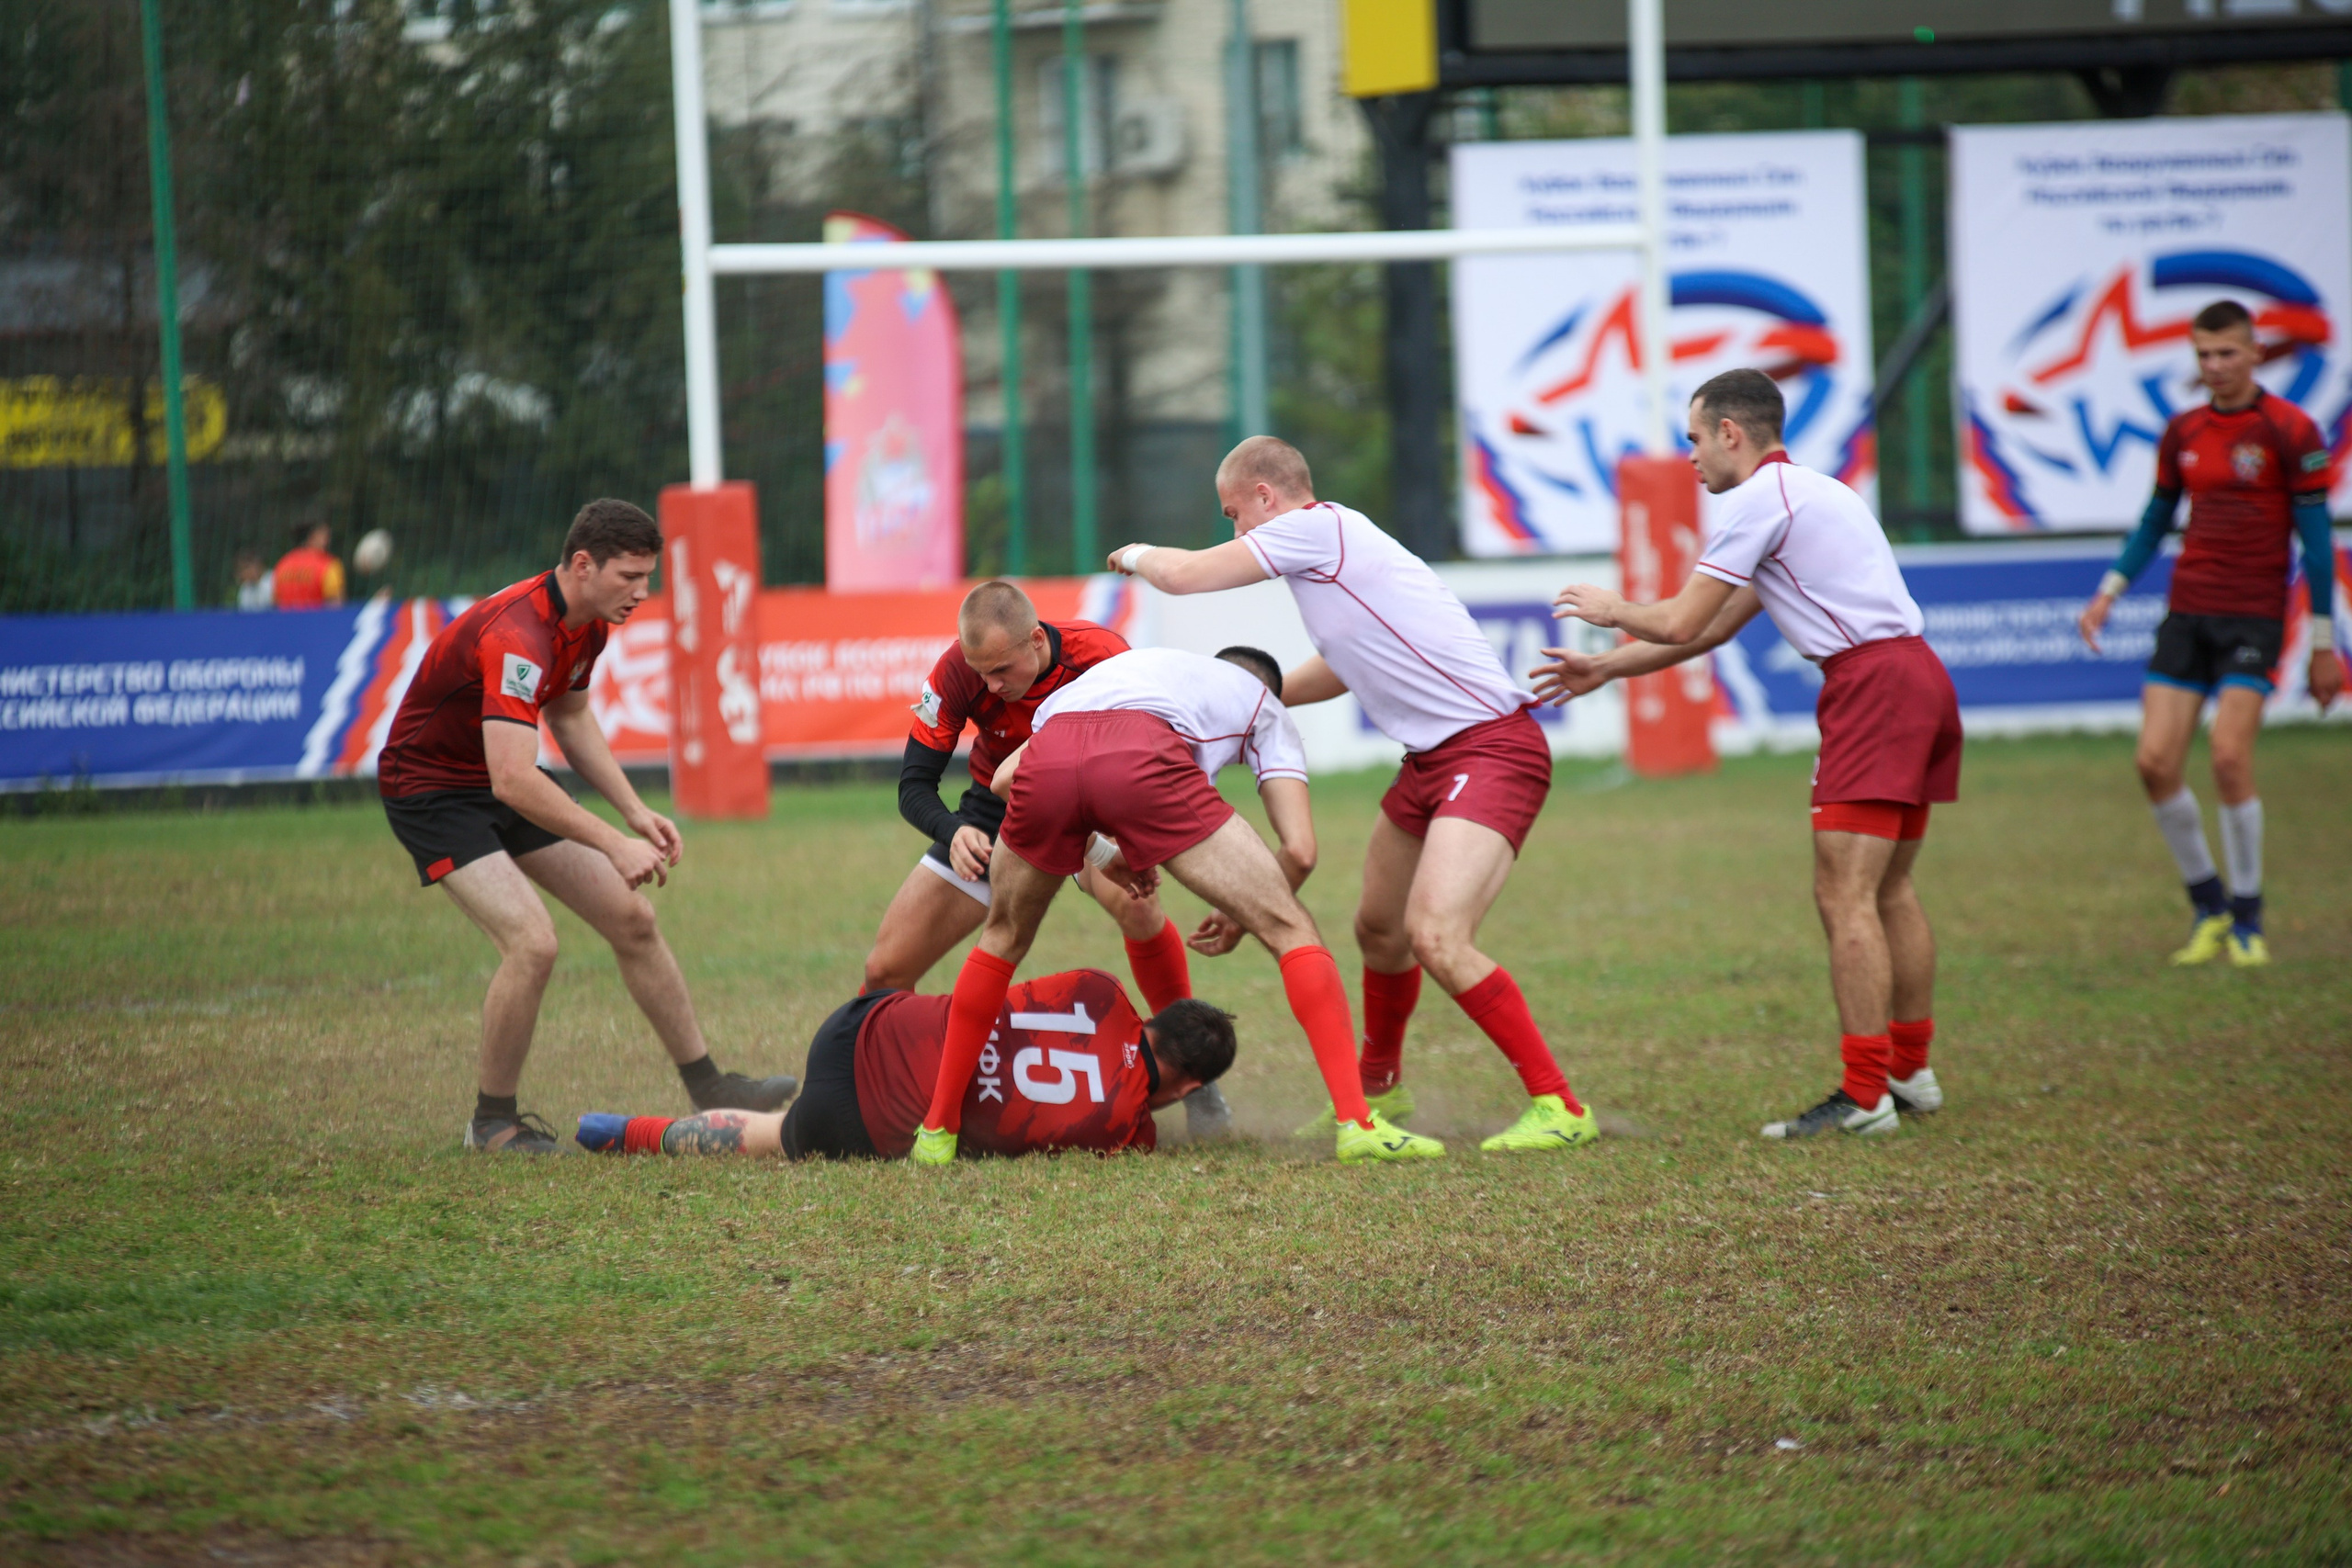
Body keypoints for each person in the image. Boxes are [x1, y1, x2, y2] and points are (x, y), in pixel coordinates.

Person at [1102, 436, 1596, 1156]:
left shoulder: (1316, 527)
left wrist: (1136, 552)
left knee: (1437, 937)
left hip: (1492, 748)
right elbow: (1341, 666)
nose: (1236, 532)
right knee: (1379, 930)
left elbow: (1182, 577)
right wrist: (1250, 697)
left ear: (1268, 498)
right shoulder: (1331, 556)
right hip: (1431, 760)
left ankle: (1558, 1103)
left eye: (1236, 514)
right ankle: (1381, 1085)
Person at [1537, 368, 1959, 1140]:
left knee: (1845, 896)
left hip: (1873, 688)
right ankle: (1910, 1072)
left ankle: (1866, 1094)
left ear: (1732, 433)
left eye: (1694, 438)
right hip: (1917, 677)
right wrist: (1603, 667)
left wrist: (1609, 611)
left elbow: (1677, 617)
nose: (1690, 457)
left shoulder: (1760, 499)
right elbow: (1712, 629)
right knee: (1890, 888)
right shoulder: (1813, 493)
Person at [910, 645, 1444, 1165]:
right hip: (1141, 752)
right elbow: (1300, 851)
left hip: (1050, 752)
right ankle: (1357, 1123)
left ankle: (937, 1129)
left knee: (1001, 939)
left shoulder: (1125, 672)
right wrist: (1242, 914)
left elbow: (1006, 779)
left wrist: (1103, 853)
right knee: (1289, 928)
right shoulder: (1264, 707)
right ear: (1264, 688)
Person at [377, 498, 795, 1154]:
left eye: (646, 576)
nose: (642, 591)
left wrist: (633, 810)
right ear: (581, 563)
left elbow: (569, 718)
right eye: (629, 576)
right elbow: (513, 778)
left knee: (634, 920)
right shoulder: (519, 633)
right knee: (533, 942)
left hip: (500, 779)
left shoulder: (588, 621)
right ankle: (491, 1122)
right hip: (432, 791)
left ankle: (709, 1087)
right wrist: (610, 839)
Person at [873, 581, 1227, 1136]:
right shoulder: (957, 671)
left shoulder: (1105, 658)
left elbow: (1158, 761)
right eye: (980, 672)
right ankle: (882, 1086)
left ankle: (1199, 1081)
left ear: (1036, 640)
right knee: (884, 970)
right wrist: (954, 829)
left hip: (1092, 803)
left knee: (1140, 909)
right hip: (995, 808)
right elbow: (913, 786)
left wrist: (1117, 844)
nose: (989, 685)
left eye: (1001, 672)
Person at [2075, 298, 2342, 969]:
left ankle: (2249, 916)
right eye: (2203, 354)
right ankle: (2208, 905)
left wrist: (2320, 641)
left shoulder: (2290, 430)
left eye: (2227, 353)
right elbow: (2155, 519)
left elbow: (2315, 547)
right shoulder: (2184, 431)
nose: (2215, 366)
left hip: (2253, 616)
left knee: (2228, 757)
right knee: (2154, 762)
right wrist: (2108, 592)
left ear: (2255, 353)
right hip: (2188, 610)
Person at [575, 972, 1236, 1162]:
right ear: (1193, 1085)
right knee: (770, 1137)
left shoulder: (1096, 987)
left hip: (865, 1020)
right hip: (859, 1119)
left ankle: (612, 1125)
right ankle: (624, 1132)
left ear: (1155, 1015)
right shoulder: (1128, 1131)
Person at [272, 522, 345, 610]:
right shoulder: (328, 565)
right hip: (317, 622)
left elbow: (275, 602)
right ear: (312, 537)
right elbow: (336, 605)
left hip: (285, 622)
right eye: (325, 536)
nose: (328, 541)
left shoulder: (282, 564)